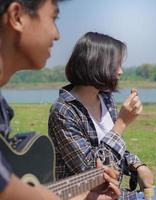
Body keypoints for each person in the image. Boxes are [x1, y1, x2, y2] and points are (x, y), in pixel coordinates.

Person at [0, 1, 120, 199]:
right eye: (53, 18)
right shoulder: (64, 110)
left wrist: (83, 196)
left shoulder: (3, 109)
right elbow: (8, 189)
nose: (57, 34)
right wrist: (122, 123)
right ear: (17, 16)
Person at [48, 32, 154, 192]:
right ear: (95, 64)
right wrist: (122, 123)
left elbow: (113, 152)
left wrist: (137, 165)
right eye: (115, 65)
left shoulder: (106, 99)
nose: (120, 72)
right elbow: (91, 172)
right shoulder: (64, 111)